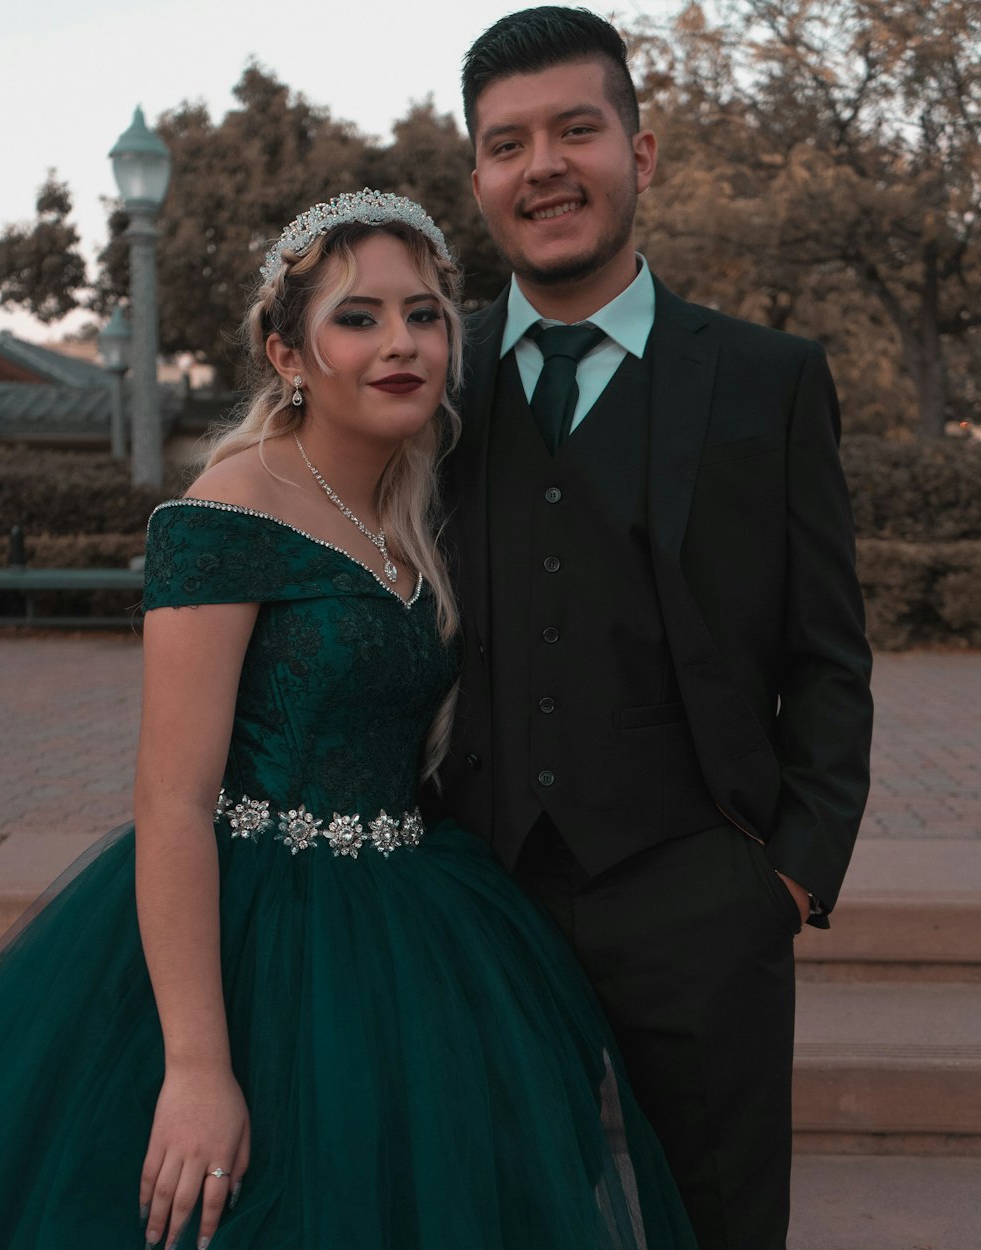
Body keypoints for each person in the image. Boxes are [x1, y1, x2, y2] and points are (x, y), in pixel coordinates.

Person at [0, 190, 698, 1250]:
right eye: (357, 316)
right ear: (287, 351)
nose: (399, 341)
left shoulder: (416, 505)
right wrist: (195, 1065)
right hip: (254, 935)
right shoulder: (231, 507)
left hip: (413, 922)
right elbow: (170, 800)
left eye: (423, 313)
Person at [436, 10, 874, 1250]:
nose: (544, 167)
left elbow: (828, 652)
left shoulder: (766, 378)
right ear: (477, 177)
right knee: (494, 1216)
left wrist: (788, 873)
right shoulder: (430, 383)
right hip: (478, 892)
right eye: (506, 143)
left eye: (577, 129)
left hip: (704, 892)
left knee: (724, 1223)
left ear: (643, 149)